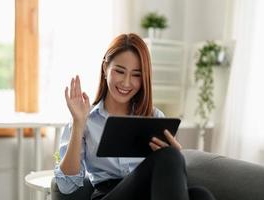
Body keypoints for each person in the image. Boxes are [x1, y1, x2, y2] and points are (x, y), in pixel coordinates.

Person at [54, 33, 215, 200]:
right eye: (120, 71)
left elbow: (171, 177)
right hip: (109, 194)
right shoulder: (85, 118)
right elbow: (67, 186)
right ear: (105, 69)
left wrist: (177, 155)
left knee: (201, 196)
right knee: (170, 158)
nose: (126, 82)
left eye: (136, 75)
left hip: (150, 194)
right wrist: (79, 123)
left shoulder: (154, 116)